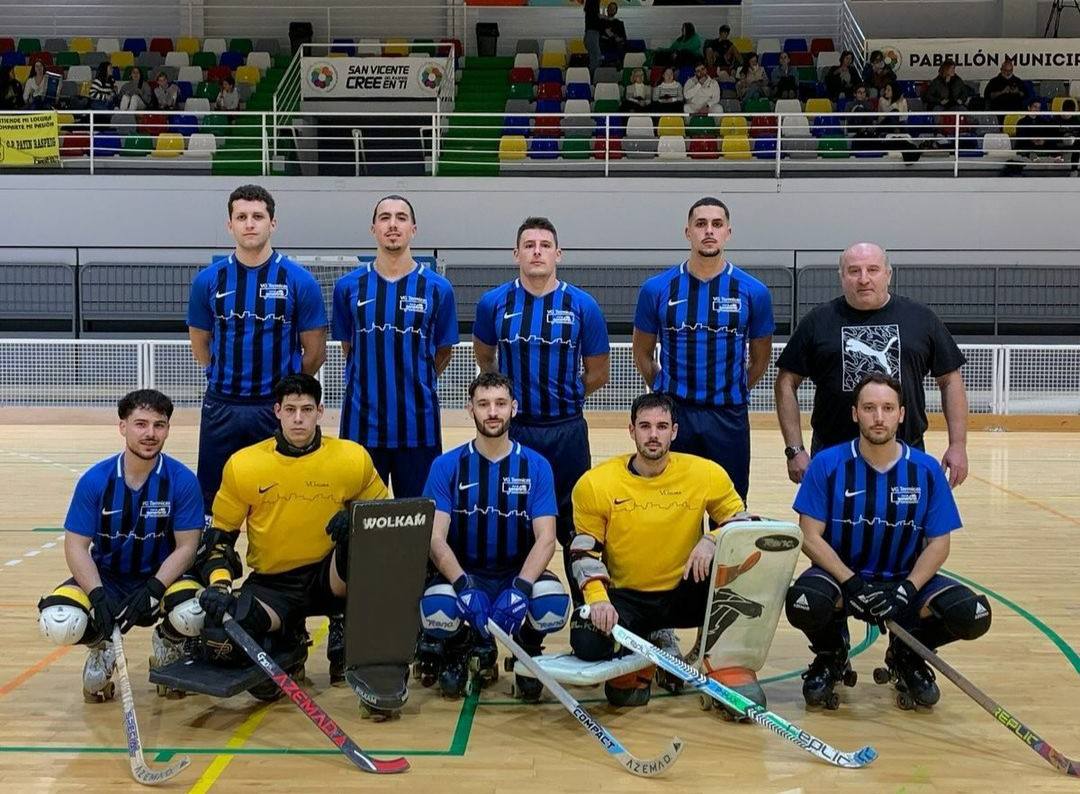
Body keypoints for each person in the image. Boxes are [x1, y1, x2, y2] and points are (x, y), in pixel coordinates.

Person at [784, 373, 991, 710]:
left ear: (902, 414)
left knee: (975, 614)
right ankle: (832, 652)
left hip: (903, 583)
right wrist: (851, 582)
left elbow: (939, 544)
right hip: (843, 582)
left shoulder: (925, 471)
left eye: (887, 408)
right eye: (869, 408)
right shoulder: (828, 464)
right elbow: (809, 536)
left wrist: (907, 590)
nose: (878, 417)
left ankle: (906, 654)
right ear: (855, 414)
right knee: (802, 603)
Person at [195, 374, 391, 705]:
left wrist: (357, 521)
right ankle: (288, 640)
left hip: (330, 578)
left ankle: (345, 623)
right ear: (277, 411)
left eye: (306, 409)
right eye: (290, 409)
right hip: (274, 585)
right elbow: (219, 539)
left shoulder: (350, 457)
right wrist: (219, 586)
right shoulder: (244, 465)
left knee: (359, 543)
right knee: (219, 637)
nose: (298, 418)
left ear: (321, 412)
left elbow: (385, 522)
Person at [568, 392, 745, 707]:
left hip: (683, 590)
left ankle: (728, 671)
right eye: (645, 426)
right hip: (628, 597)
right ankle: (646, 650)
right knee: (588, 644)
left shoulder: (705, 473)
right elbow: (584, 552)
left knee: (746, 576)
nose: (653, 435)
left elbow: (744, 523)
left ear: (674, 431)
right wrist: (598, 600)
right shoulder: (596, 483)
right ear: (631, 431)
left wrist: (712, 539)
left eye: (662, 426)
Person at [472, 217, 609, 602]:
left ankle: (588, 607)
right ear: (516, 254)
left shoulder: (583, 306)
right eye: (529, 245)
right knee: (512, 521)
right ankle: (510, 610)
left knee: (575, 526)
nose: (537, 251)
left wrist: (565, 394)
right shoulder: (493, 303)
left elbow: (598, 371)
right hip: (514, 433)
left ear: (558, 254)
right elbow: (487, 359)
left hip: (567, 432)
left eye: (545, 245)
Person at [37, 390, 204, 703]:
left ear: (168, 429)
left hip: (162, 577)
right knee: (58, 622)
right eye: (140, 424)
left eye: (159, 425)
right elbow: (75, 547)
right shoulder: (95, 480)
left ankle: (168, 643)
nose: (150, 434)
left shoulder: (181, 480)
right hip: (109, 578)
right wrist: (98, 597)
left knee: (193, 613)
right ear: (122, 427)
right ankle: (101, 647)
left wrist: (155, 588)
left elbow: (187, 547)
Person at [417, 372, 568, 701]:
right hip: (467, 575)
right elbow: (435, 539)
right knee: (436, 607)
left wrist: (521, 588)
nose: (493, 412)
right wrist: (461, 585)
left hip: (515, 574)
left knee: (551, 604)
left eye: (500, 404)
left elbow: (546, 539)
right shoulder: (447, 466)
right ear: (470, 410)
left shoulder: (536, 466)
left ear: (514, 408)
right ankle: (460, 646)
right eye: (483, 405)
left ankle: (527, 651)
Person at [775, 242, 969, 489]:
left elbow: (950, 380)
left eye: (873, 270)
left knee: (906, 527)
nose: (863, 279)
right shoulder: (817, 321)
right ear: (842, 277)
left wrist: (958, 445)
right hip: (833, 458)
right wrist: (795, 449)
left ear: (888, 274)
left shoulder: (921, 319)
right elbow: (785, 383)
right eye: (854, 271)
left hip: (905, 455)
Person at [187, 184, 327, 516]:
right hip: (222, 406)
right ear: (230, 224)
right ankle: (212, 562)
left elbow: (315, 351)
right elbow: (199, 342)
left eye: (258, 216)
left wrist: (288, 392)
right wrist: (217, 373)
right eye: (242, 217)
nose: (250, 224)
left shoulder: (299, 281)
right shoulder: (208, 281)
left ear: (272, 224)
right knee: (213, 501)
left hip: (274, 409)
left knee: (282, 500)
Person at [633, 197, 774, 502]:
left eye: (717, 224)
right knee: (676, 504)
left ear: (728, 232)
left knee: (731, 506)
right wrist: (662, 389)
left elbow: (761, 358)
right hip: (676, 413)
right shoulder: (656, 289)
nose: (709, 231)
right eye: (701, 224)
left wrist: (734, 388)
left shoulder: (754, 292)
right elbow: (642, 353)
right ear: (688, 232)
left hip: (728, 416)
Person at [332, 195, 458, 501]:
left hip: (419, 428)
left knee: (416, 524)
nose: (392, 224)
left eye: (401, 217)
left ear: (413, 229)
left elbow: (443, 352)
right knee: (357, 524)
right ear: (373, 228)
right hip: (361, 427)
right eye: (384, 217)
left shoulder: (438, 288)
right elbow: (349, 347)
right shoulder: (348, 287)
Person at [584, 0, 603, 75]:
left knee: (594, 57)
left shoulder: (591, 5)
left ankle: (593, 76)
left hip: (591, 33)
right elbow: (595, 18)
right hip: (592, 33)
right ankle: (593, 77)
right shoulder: (593, 3)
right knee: (596, 58)